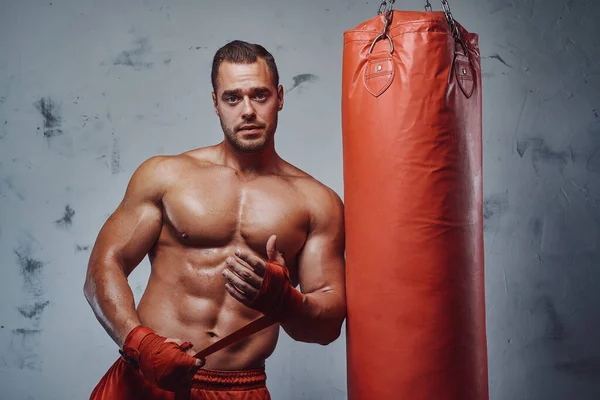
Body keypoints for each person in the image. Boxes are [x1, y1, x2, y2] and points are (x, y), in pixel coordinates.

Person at [83, 40, 346, 399]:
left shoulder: (317, 202)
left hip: (238, 389)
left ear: (280, 97)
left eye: (260, 95)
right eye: (233, 98)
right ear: (215, 103)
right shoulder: (165, 175)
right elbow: (103, 266)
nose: (248, 110)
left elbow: (327, 327)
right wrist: (139, 342)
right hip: (147, 376)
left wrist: (286, 301)